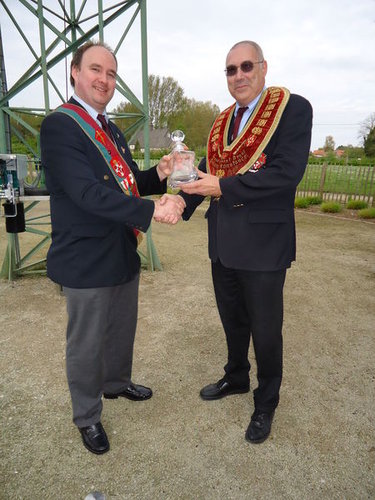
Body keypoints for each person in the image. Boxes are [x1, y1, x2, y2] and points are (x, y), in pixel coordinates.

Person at [40, 41, 184, 455]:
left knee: (122, 329)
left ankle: (117, 383)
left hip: (121, 249)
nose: (104, 80)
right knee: (85, 344)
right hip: (86, 258)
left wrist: (160, 171)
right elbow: (86, 193)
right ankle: (87, 416)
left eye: (111, 74)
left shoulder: (112, 129)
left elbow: (126, 184)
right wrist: (151, 208)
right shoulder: (60, 126)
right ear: (75, 72)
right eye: (95, 70)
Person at [180, 40, 312, 443]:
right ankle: (236, 376)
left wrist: (222, 185)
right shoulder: (222, 123)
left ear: (263, 68)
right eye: (230, 70)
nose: (238, 75)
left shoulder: (292, 109)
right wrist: (178, 203)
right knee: (233, 321)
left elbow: (286, 174)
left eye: (245, 66)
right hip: (222, 242)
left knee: (266, 329)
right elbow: (205, 174)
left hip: (263, 244)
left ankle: (266, 400)